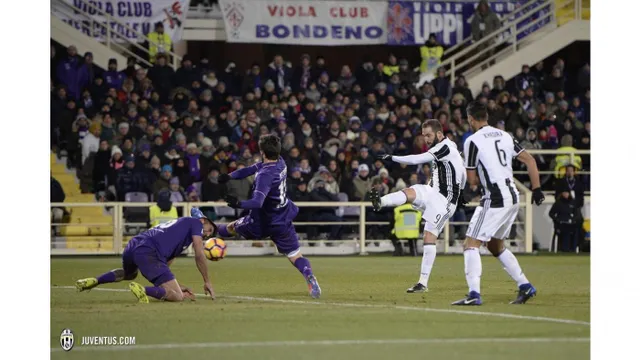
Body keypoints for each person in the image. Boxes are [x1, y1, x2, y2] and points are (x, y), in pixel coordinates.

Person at [202, 134, 321, 298]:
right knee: (295, 256)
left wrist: (238, 204)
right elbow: (251, 169)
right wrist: (229, 176)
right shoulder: (281, 162)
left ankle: (206, 231)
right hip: (282, 218)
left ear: (262, 152)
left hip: (262, 221)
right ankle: (309, 275)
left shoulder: (266, 175)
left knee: (233, 227)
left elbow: (257, 202)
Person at [453, 101, 545, 306]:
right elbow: (530, 160)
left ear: (470, 119)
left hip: (494, 198)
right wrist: (537, 189)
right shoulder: (505, 135)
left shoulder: (472, 141)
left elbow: (473, 181)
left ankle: (474, 294)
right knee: (495, 245)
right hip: (512, 196)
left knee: (470, 244)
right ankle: (525, 285)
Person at [371, 119, 466, 293]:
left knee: (429, 236)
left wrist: (392, 157)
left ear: (439, 134)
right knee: (411, 191)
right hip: (432, 192)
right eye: (424, 136)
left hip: (445, 201)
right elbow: (463, 170)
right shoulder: (449, 147)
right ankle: (380, 202)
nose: (426, 140)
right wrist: (463, 189)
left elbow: (417, 159)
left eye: (429, 135)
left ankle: (422, 282)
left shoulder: (444, 147)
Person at [75, 216, 217, 303]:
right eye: (209, 229)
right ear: (203, 220)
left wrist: (177, 286)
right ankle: (142, 290)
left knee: (130, 274)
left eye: (210, 234)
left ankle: (96, 280)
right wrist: (207, 281)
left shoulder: (180, 233)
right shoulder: (196, 223)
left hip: (134, 244)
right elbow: (199, 254)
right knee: (178, 297)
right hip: (149, 250)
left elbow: (162, 268)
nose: (207, 234)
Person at [549, 185, 582, 252]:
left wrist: (573, 220)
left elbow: (577, 214)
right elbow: (551, 213)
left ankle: (574, 248)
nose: (566, 194)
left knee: (577, 230)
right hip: (561, 224)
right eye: (564, 193)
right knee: (566, 231)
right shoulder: (558, 203)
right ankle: (565, 249)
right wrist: (558, 220)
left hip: (571, 223)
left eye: (567, 193)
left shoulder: (573, 202)